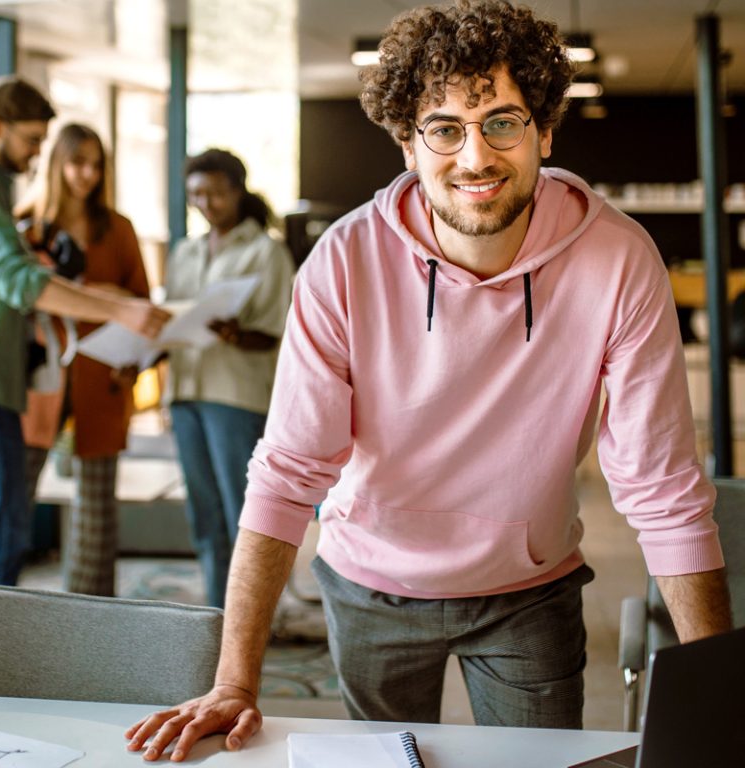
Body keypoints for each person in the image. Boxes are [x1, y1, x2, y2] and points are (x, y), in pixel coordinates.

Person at [126, 1, 732, 760]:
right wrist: (235, 682)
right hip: (370, 583)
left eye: (502, 123)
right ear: (408, 145)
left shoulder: (618, 259)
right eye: (444, 128)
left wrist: (720, 699)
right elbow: (287, 472)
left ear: (545, 130)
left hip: (529, 588)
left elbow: (662, 487)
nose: (474, 157)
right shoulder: (343, 264)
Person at [0, 75, 169, 587]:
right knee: (1, 537)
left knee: (41, 529)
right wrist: (116, 308)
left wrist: (117, 308)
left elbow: (139, 299)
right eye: (32, 141)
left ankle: (76, 631)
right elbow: (21, 286)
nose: (36, 154)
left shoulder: (115, 227)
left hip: (90, 381)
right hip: (13, 384)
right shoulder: (3, 204)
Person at [15, 123, 152, 596]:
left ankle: (92, 614)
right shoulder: (25, 225)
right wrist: (101, 293)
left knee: (97, 508)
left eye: (97, 164)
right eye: (77, 162)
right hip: (37, 378)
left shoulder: (119, 229)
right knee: (15, 496)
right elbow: (18, 296)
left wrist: (89, 299)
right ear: (56, 164)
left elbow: (142, 306)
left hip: (105, 376)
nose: (87, 174)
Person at [163, 148, 294, 608]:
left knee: (246, 515)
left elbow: (278, 332)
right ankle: (219, 615)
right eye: (197, 194)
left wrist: (235, 334)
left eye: (217, 193)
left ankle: (253, 617)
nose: (207, 203)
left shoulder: (266, 251)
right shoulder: (185, 251)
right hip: (185, 393)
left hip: (234, 396)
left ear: (238, 191)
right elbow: (172, 317)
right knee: (205, 514)